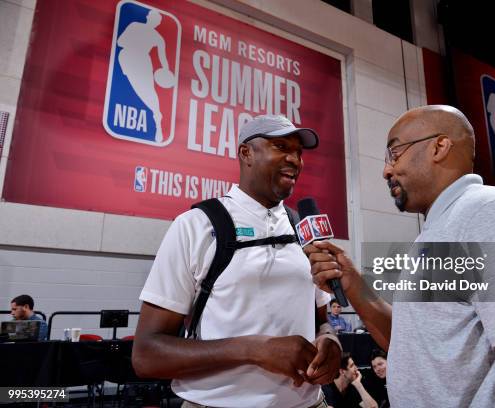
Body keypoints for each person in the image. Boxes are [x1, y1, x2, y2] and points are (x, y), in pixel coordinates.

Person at [306, 105, 495, 406]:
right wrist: (353, 283)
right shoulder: (439, 230)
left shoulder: (491, 212)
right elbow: (413, 346)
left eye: (395, 153)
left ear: (439, 147)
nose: (386, 170)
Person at [133, 114, 341, 408]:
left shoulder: (303, 231)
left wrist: (331, 340)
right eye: (281, 146)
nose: (295, 159)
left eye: (299, 152)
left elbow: (322, 322)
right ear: (246, 153)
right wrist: (255, 349)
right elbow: (146, 356)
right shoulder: (196, 225)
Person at [117, 9, 172, 142]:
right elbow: (120, 42)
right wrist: (135, 45)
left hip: (142, 62)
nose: (155, 21)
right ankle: (156, 115)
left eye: (157, 20)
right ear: (148, 17)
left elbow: (163, 58)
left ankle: (157, 118)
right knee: (136, 90)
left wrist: (166, 71)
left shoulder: (158, 38)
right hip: (127, 58)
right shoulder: (135, 26)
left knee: (148, 91)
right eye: (153, 18)